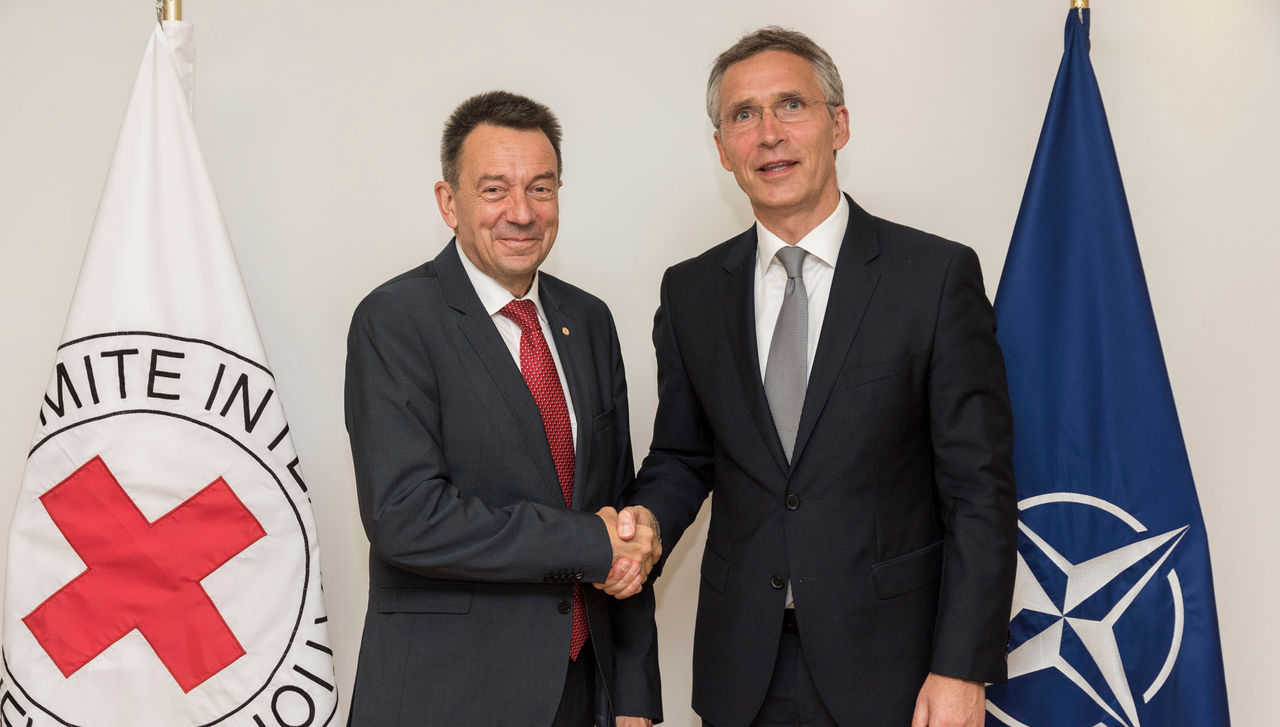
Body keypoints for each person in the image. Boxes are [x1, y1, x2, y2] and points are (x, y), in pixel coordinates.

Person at [618, 27, 1017, 727]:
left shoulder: (933, 278)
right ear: (722, 150)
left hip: (899, 669)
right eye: (743, 115)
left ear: (838, 125)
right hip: (744, 671)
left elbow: (978, 489)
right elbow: (685, 455)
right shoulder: (690, 292)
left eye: (791, 106)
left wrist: (962, 665)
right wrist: (641, 522)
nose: (768, 133)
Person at [344, 90, 661, 727]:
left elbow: (616, 509)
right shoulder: (396, 318)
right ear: (448, 202)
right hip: (447, 694)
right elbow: (405, 516)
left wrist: (634, 700)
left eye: (541, 189)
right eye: (494, 190)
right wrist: (588, 544)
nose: (521, 212)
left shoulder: (588, 320)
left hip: (581, 692)